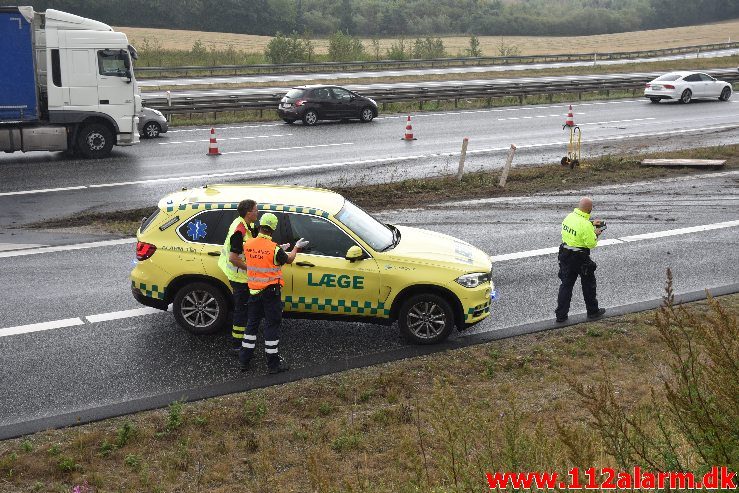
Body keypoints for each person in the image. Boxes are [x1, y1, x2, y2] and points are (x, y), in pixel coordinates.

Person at [239, 213, 308, 374]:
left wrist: (279, 249)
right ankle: (273, 365)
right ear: (273, 229)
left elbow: (257, 257)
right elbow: (289, 259)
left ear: (261, 226)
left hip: (254, 291)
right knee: (271, 326)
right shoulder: (274, 249)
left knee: (252, 325)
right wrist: (296, 247)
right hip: (271, 293)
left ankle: (244, 360)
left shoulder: (248, 243)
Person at [555, 196, 606, 323]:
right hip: (580, 258)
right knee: (588, 285)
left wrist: (590, 223)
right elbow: (591, 244)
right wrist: (596, 234)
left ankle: (561, 316)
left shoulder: (569, 217)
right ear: (590, 210)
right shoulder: (585, 225)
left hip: (565, 254)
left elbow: (577, 227)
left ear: (579, 207)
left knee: (566, 285)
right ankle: (593, 312)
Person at [217, 199, 259, 353]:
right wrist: (252, 269)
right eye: (256, 210)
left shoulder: (247, 224)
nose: (257, 212)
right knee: (241, 310)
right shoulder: (239, 231)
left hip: (242, 275)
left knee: (245, 308)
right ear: (249, 213)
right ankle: (237, 344)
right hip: (238, 277)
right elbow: (233, 258)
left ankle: (242, 338)